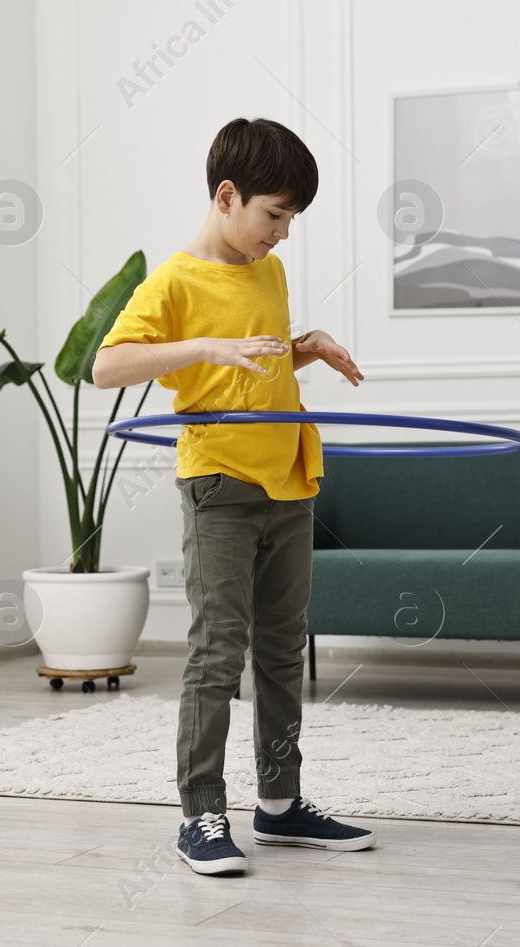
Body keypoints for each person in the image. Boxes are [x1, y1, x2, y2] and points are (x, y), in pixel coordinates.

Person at [92, 117, 375, 876]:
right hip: (220, 481)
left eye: (290, 219)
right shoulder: (176, 281)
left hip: (288, 476)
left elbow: (259, 359)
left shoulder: (268, 272)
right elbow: (108, 366)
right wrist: (205, 348)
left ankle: (281, 804)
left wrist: (305, 346)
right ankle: (200, 812)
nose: (281, 234)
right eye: (274, 214)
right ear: (227, 195)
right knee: (218, 650)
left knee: (284, 648)